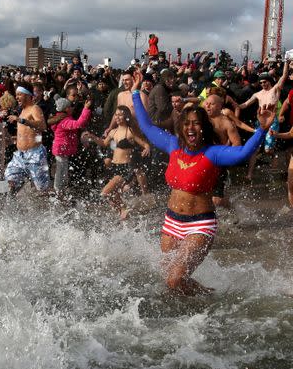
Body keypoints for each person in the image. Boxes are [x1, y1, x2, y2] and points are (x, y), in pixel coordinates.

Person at [130, 70, 274, 295]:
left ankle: (210, 299)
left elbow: (243, 153)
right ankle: (200, 302)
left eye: (196, 124)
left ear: (204, 128)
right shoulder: (173, 146)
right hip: (171, 222)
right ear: (181, 128)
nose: (191, 128)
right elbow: (147, 128)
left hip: (200, 224)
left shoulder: (213, 153)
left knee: (174, 280)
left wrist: (262, 130)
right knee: (169, 278)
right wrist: (136, 93)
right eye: (187, 124)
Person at [84, 106, 150, 219]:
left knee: (105, 193)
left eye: (120, 114)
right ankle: (123, 216)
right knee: (112, 195)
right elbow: (104, 143)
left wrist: (147, 148)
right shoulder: (113, 132)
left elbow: (144, 143)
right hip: (114, 167)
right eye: (116, 114)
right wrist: (93, 137)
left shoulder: (130, 131)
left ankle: (124, 209)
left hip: (125, 168)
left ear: (126, 117)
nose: (117, 117)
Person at [5, 86, 51, 195]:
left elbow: (42, 126)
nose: (16, 97)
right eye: (16, 95)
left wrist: (20, 120)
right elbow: (27, 133)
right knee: (9, 180)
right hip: (19, 155)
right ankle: (11, 207)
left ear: (28, 95)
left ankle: (58, 206)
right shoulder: (23, 111)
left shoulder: (34, 108)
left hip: (35, 154)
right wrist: (13, 139)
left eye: (19, 94)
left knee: (42, 190)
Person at [51, 97, 92, 197]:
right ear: (66, 109)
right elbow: (79, 124)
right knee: (61, 172)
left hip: (62, 149)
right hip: (61, 150)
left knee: (62, 171)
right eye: (70, 107)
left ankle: (60, 191)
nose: (72, 108)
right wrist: (86, 109)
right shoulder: (64, 121)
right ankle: (58, 192)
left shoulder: (60, 118)